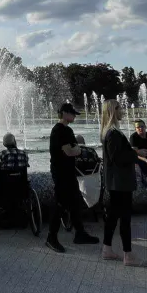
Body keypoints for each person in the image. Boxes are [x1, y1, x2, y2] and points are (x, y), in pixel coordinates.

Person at [99, 100, 147, 267]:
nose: (123, 110)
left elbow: (116, 154)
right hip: (120, 182)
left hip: (116, 181)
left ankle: (107, 249)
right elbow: (117, 158)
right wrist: (136, 154)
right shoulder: (113, 133)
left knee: (113, 215)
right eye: (119, 108)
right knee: (125, 217)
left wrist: (133, 151)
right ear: (113, 111)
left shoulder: (109, 132)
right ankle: (128, 255)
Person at [45, 102, 99, 253]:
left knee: (75, 202)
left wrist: (75, 149)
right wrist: (76, 150)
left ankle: (80, 234)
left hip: (69, 171)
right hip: (60, 172)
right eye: (73, 113)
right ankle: (51, 238)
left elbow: (74, 149)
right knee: (59, 204)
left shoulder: (68, 130)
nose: (75, 116)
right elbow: (71, 151)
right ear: (64, 113)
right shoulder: (59, 130)